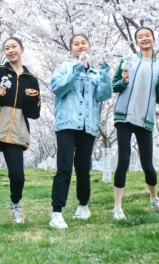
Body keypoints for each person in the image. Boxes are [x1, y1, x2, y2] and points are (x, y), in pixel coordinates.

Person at [0, 37, 41, 233]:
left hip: (15, 134)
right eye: (7, 48)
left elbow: (34, 114)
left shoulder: (32, 79)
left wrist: (33, 98)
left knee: (17, 176)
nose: (11, 50)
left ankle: (15, 205)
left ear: (22, 49)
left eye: (14, 47)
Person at [48, 34, 112, 229]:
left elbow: (104, 94)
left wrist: (105, 74)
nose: (80, 46)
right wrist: (76, 70)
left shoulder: (95, 73)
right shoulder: (65, 68)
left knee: (84, 169)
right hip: (67, 125)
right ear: (71, 49)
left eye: (83, 43)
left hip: (88, 126)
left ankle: (83, 206)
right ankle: (56, 212)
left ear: (89, 46)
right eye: (76, 44)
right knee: (64, 167)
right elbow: (57, 88)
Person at [111, 27, 159, 220]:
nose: (144, 39)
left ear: (153, 39)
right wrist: (123, 81)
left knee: (148, 163)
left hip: (145, 118)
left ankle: (154, 199)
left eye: (147, 36)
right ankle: (117, 207)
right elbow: (113, 86)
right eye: (140, 37)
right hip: (124, 117)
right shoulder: (128, 60)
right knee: (124, 160)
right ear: (136, 41)